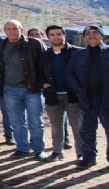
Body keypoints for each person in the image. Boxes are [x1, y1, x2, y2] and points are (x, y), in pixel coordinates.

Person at [65, 24, 109, 171]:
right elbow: (69, 74)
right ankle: (88, 158)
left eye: (95, 33)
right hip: (87, 99)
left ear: (102, 35)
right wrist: (78, 89)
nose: (92, 35)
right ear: (84, 36)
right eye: (88, 33)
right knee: (86, 130)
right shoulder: (78, 55)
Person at [0, 20, 47, 160]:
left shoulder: (35, 44)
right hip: (10, 89)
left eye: (15, 28)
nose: (12, 31)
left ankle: (38, 149)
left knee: (36, 121)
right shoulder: (1, 46)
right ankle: (22, 148)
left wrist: (43, 82)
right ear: (4, 31)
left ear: (21, 29)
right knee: (17, 121)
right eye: (9, 29)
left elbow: (44, 65)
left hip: (32, 89)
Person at [38, 25, 83, 162]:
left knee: (77, 127)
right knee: (56, 127)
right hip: (52, 95)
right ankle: (57, 151)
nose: (55, 37)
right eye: (52, 34)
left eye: (59, 34)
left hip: (73, 95)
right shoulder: (45, 55)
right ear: (48, 37)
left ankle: (81, 154)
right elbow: (38, 72)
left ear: (64, 35)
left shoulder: (76, 52)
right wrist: (42, 83)